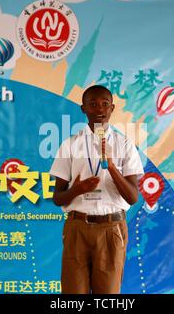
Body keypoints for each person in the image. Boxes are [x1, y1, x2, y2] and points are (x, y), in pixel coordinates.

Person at [49, 85, 144, 294]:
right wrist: (77, 189)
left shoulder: (125, 145)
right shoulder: (70, 145)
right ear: (83, 109)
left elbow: (132, 197)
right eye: (92, 104)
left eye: (104, 104)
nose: (99, 109)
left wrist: (110, 165)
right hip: (77, 227)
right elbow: (58, 198)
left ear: (112, 108)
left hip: (111, 228)